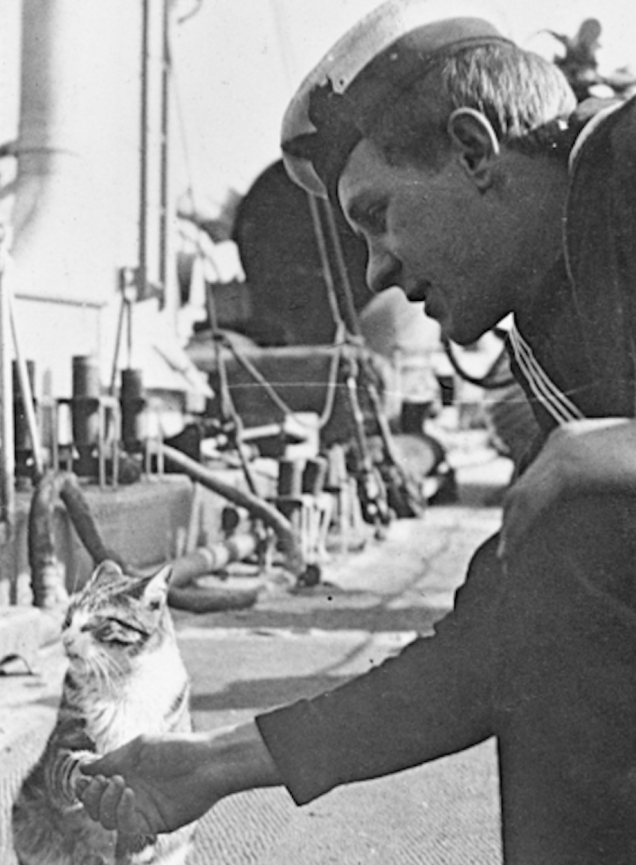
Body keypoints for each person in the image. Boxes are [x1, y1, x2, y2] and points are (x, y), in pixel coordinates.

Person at [78, 1, 636, 861]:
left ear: (473, 150)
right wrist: (215, 765)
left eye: (377, 214)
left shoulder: (627, 166)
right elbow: (501, 636)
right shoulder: (554, 319)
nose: (376, 268)